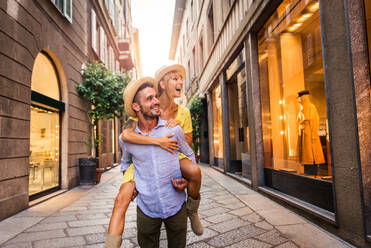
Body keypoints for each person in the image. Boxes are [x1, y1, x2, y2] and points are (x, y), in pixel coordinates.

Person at [122, 77, 195, 247]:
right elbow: (125, 163)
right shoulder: (128, 139)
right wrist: (131, 182)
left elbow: (189, 154)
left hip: (176, 205)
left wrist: (187, 180)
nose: (156, 102)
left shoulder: (174, 129)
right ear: (136, 107)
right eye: (149, 99)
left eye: (155, 96)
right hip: (147, 209)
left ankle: (194, 209)